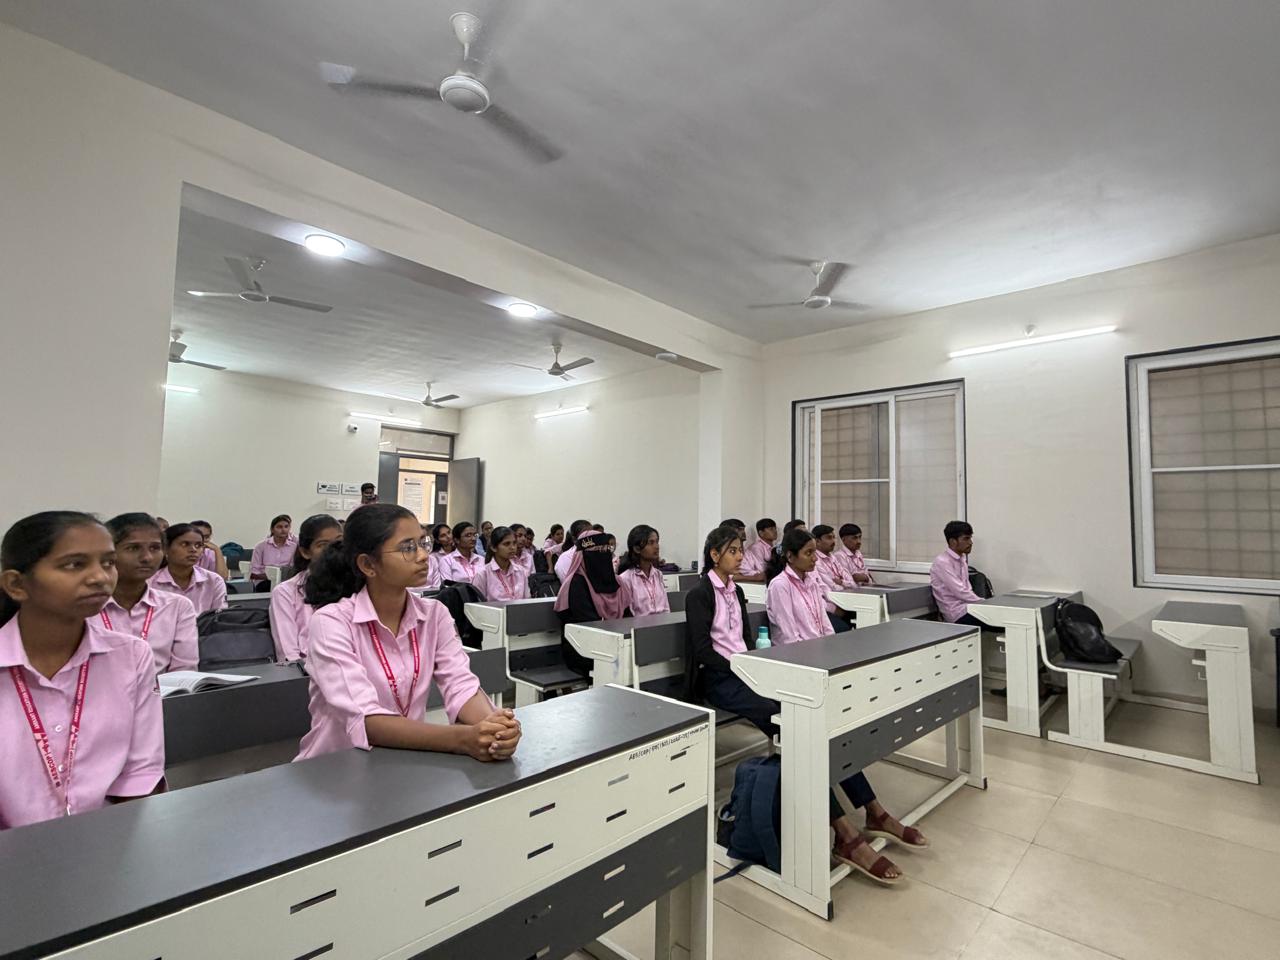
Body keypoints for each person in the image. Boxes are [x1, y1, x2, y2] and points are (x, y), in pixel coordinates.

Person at [685, 525, 924, 885]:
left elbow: (745, 640)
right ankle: (844, 833)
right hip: (720, 680)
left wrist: (755, 666)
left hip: (747, 672)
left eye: (739, 550)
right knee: (797, 728)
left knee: (817, 724)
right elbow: (704, 651)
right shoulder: (700, 594)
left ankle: (873, 809)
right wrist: (745, 668)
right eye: (732, 551)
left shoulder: (736, 591)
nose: (739, 556)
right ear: (714, 555)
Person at [296, 504, 520, 761]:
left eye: (423, 543)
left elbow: (460, 684)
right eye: (407, 548)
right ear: (368, 564)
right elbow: (365, 718)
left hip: (406, 760)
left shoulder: (434, 615)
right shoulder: (331, 622)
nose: (424, 556)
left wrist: (494, 728)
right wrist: (463, 739)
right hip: (336, 765)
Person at [0, 512, 165, 829]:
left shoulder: (130, 655)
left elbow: (140, 772)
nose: (100, 577)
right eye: (75, 564)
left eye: (108, 562)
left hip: (105, 839)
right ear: (17, 584)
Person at [102, 513, 197, 675]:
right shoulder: (85, 607)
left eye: (155, 548)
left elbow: (185, 671)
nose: (147, 557)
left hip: (164, 690)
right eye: (133, 548)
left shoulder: (177, 606)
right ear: (108, 554)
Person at [554, 529, 630, 677]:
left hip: (616, 645)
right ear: (584, 556)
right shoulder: (576, 584)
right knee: (621, 668)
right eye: (598, 551)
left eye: (606, 550)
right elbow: (589, 625)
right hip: (584, 649)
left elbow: (628, 618)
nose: (602, 555)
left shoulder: (618, 582)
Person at [270, 514, 342, 662]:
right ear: (305, 552)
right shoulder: (285, 592)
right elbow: (288, 655)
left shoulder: (356, 586)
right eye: (323, 545)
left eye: (339, 542)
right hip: (306, 669)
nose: (334, 550)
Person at [765, 527, 850, 637]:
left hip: (817, 643)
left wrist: (830, 642)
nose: (815, 558)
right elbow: (789, 635)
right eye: (809, 553)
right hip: (796, 646)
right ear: (790, 556)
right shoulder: (780, 585)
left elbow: (825, 623)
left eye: (815, 552)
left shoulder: (811, 582)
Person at [150, 523, 228, 615]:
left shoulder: (214, 581)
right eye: (185, 544)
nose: (193, 550)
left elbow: (220, 618)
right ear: (166, 548)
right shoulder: (150, 582)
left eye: (198, 545)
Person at [930, 520, 985, 625]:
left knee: (1005, 618)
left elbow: (966, 589)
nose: (970, 543)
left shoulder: (961, 558)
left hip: (968, 608)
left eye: (970, 538)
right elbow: (960, 591)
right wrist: (984, 603)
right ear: (953, 541)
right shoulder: (942, 562)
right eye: (966, 538)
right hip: (956, 614)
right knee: (1003, 621)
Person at [616, 524, 669, 616]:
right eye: (651, 543)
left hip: (664, 623)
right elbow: (628, 615)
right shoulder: (625, 579)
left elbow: (666, 608)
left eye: (657, 542)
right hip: (639, 624)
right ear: (637, 549)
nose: (656, 547)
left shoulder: (658, 574)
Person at [472, 526, 530, 601]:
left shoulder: (521, 571)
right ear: (494, 548)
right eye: (506, 544)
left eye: (514, 543)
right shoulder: (483, 574)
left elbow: (527, 600)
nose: (512, 547)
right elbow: (476, 604)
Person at [250, 515, 296, 583]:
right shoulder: (261, 546)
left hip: (285, 581)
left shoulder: (293, 547)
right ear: (272, 529)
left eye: (286, 526)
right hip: (264, 581)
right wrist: (273, 576)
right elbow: (254, 573)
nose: (283, 530)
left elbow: (293, 569)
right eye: (279, 527)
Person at [811, 524, 851, 591]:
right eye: (829, 538)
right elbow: (833, 587)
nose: (833, 541)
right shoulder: (816, 560)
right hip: (832, 596)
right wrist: (845, 585)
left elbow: (852, 583)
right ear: (817, 541)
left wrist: (842, 582)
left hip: (844, 593)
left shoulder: (833, 557)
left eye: (833, 537)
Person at [737, 517, 777, 583]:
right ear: (761, 533)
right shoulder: (757, 547)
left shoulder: (775, 547)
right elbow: (761, 569)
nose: (775, 531)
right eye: (771, 529)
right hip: (757, 581)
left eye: (775, 528)